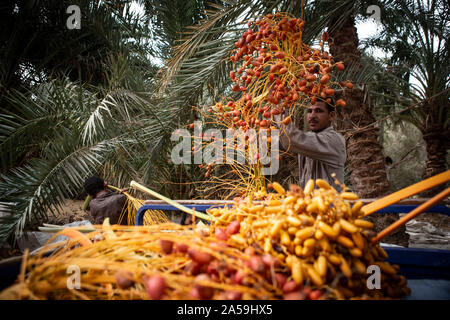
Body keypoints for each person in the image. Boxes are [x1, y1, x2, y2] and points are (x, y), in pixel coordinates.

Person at [275, 98, 346, 190]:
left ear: (331, 116)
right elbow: (288, 140)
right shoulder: (309, 138)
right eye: (309, 111)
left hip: (330, 202)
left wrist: (276, 104)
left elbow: (290, 139)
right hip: (312, 202)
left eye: (318, 111)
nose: (312, 116)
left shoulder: (333, 140)